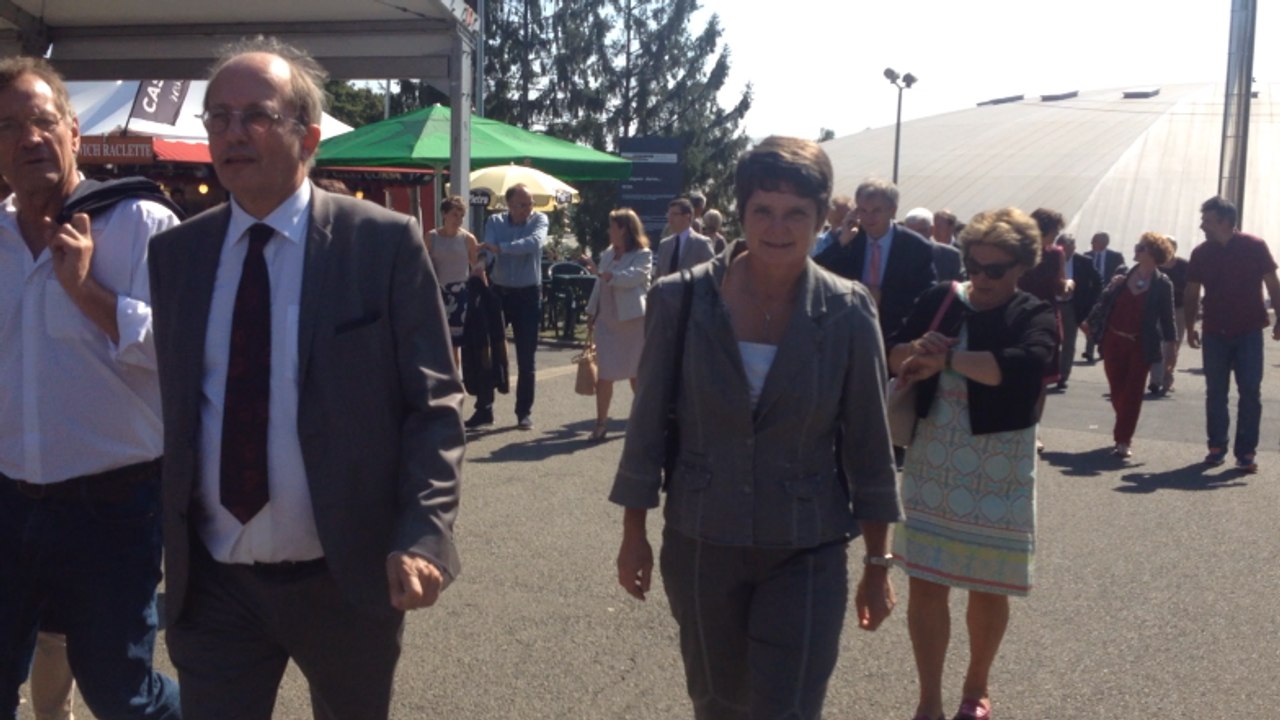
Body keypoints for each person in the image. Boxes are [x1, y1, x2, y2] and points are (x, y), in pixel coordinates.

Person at [147, 37, 462, 720]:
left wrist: (422, 533)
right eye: (218, 117)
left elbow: (434, 408)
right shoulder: (176, 255)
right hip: (215, 587)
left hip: (345, 580)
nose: (232, 133)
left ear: (307, 135)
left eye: (254, 116)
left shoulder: (380, 244)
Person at [611, 136, 900, 719]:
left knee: (789, 708)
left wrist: (877, 562)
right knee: (717, 703)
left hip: (807, 544)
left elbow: (869, 445)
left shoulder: (848, 311)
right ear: (741, 213)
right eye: (763, 209)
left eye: (798, 212)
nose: (779, 226)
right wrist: (633, 532)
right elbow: (647, 428)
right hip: (701, 540)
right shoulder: (681, 300)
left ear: (823, 219)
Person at [0, 56, 183, 720]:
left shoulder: (139, 223)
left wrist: (88, 293)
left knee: (121, 694)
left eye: (43, 120)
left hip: (111, 506)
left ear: (75, 132)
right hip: (7, 498)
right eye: (9, 126)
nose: (28, 138)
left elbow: (183, 357)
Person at [886, 208, 1056, 720]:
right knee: (927, 581)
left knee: (987, 583)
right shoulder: (941, 299)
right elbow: (893, 351)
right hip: (934, 460)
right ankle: (929, 699)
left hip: (998, 466)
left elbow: (1027, 367)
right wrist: (913, 351)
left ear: (1022, 267)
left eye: (995, 270)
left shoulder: (1034, 312)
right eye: (974, 265)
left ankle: (976, 687)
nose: (980, 278)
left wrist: (951, 360)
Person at [1184, 196, 1280, 473]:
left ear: (1224, 222)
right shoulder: (1201, 252)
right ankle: (1216, 446)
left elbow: (1272, 283)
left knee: (1250, 391)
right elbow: (1192, 291)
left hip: (1249, 330)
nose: (1202, 226)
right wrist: (1190, 327)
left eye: (1207, 221)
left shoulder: (1254, 246)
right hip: (1214, 331)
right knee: (1216, 391)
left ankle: (1246, 452)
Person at [1082, 232, 1176, 458]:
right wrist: (1112, 287)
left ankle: (1123, 439)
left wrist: (1171, 353)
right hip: (1113, 340)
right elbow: (1104, 301)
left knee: (1133, 392)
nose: (1136, 249)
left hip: (1140, 344)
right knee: (1117, 390)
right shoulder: (1122, 274)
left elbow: (1167, 319)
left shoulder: (1162, 284)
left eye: (1141, 247)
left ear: (1153, 254)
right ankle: (1124, 423)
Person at [814, 178, 936, 339]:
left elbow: (925, 297)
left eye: (876, 211)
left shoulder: (916, 247)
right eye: (863, 211)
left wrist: (880, 298)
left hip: (894, 333)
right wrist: (842, 243)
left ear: (892, 210)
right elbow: (816, 275)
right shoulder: (847, 239)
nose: (869, 218)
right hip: (846, 332)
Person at [472, 183, 548, 430]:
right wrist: (482, 263)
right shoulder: (495, 221)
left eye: (530, 203)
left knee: (526, 357)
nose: (528, 208)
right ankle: (484, 409)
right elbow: (490, 250)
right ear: (509, 205)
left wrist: (501, 248)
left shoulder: (540, 220)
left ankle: (523, 412)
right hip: (499, 293)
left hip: (527, 295)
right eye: (522, 204)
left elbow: (533, 244)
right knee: (487, 350)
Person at [580, 208, 653, 442]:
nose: (609, 230)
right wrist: (591, 311)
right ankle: (601, 424)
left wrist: (603, 273)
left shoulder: (643, 254)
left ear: (624, 229)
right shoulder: (608, 253)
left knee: (635, 376)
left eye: (612, 226)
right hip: (607, 322)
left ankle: (645, 422)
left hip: (632, 322)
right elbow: (600, 284)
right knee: (605, 375)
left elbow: (633, 278)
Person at [426, 194, 480, 369]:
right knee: (437, 340)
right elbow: (421, 265)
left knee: (455, 344)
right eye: (454, 215)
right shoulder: (431, 237)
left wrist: (483, 293)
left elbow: (477, 267)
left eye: (461, 216)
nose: (458, 219)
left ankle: (455, 381)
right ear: (444, 214)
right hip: (437, 293)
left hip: (460, 294)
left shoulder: (467, 239)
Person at [1055, 233, 1101, 390]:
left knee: (1069, 342)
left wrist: (1089, 303)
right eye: (1061, 248)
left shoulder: (1084, 262)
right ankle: (1049, 372)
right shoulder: (1050, 259)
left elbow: (1097, 282)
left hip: (1071, 306)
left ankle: (1063, 375)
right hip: (1052, 304)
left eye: (1068, 249)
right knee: (1050, 340)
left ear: (1073, 247)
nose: (1064, 252)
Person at [1149, 238, 1188, 395]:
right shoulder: (1155, 265)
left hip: (1178, 309)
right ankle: (1155, 380)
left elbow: (1192, 287)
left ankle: (1167, 377)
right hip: (1156, 309)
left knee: (1173, 344)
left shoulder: (1184, 266)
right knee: (1156, 344)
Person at [1081, 232, 1125, 361]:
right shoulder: (1086, 256)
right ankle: (1089, 351)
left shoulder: (1116, 257)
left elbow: (1122, 272)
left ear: (1103, 243)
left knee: (1106, 322)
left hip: (1108, 295)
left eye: (1094, 241)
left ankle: (1102, 349)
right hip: (1091, 295)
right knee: (1090, 321)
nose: (1091, 243)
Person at [652, 197, 715, 280]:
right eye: (669, 214)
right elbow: (658, 277)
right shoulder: (664, 245)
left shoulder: (702, 243)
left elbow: (711, 274)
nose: (670, 218)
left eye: (674, 214)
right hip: (667, 292)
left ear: (687, 217)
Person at [906, 206, 964, 282]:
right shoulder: (896, 254)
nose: (915, 235)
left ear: (931, 230)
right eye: (910, 232)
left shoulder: (953, 255)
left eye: (920, 231)